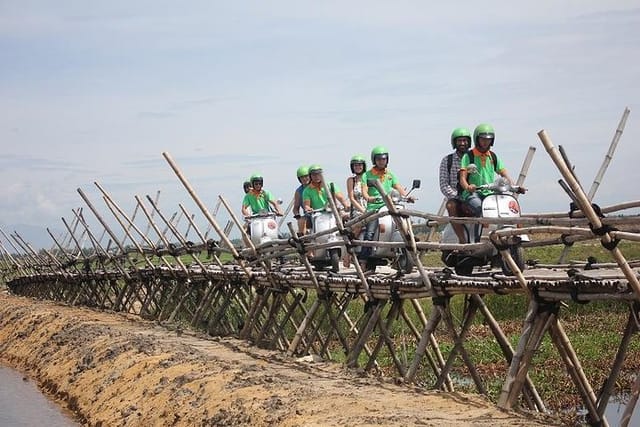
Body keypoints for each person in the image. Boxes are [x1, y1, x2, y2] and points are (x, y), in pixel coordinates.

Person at [358, 146, 414, 270]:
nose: (381, 161)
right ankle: (363, 261)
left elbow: (398, 187)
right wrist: (368, 197)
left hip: (390, 205)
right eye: (379, 159)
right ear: (374, 160)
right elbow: (364, 190)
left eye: (384, 159)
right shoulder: (367, 175)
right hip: (374, 207)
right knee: (370, 233)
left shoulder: (390, 174)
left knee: (405, 223)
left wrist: (407, 196)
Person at [459, 123, 525, 217]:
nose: (486, 142)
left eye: (488, 139)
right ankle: (483, 232)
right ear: (477, 139)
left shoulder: (493, 156)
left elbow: (504, 175)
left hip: (490, 193)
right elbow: (462, 179)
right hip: (474, 193)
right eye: (483, 139)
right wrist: (468, 187)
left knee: (507, 211)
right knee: (482, 210)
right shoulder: (468, 156)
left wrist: (515, 187)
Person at [439, 127, 471, 243]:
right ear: (454, 142)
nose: (463, 143)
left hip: (473, 194)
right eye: (459, 141)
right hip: (456, 198)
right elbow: (444, 185)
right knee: (451, 206)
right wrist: (458, 196)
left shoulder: (474, 158)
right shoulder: (447, 160)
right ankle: (462, 240)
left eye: (465, 140)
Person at [343, 155, 367, 267]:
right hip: (358, 210)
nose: (358, 167)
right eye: (356, 165)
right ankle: (348, 254)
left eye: (360, 165)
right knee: (359, 224)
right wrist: (362, 210)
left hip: (371, 208)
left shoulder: (369, 178)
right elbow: (351, 198)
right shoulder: (351, 180)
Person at [292, 165, 311, 236]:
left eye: (306, 176)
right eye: (302, 177)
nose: (304, 179)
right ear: (299, 179)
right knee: (301, 221)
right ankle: (304, 239)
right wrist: (297, 215)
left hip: (322, 213)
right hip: (309, 216)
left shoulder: (316, 186)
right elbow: (295, 208)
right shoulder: (298, 191)